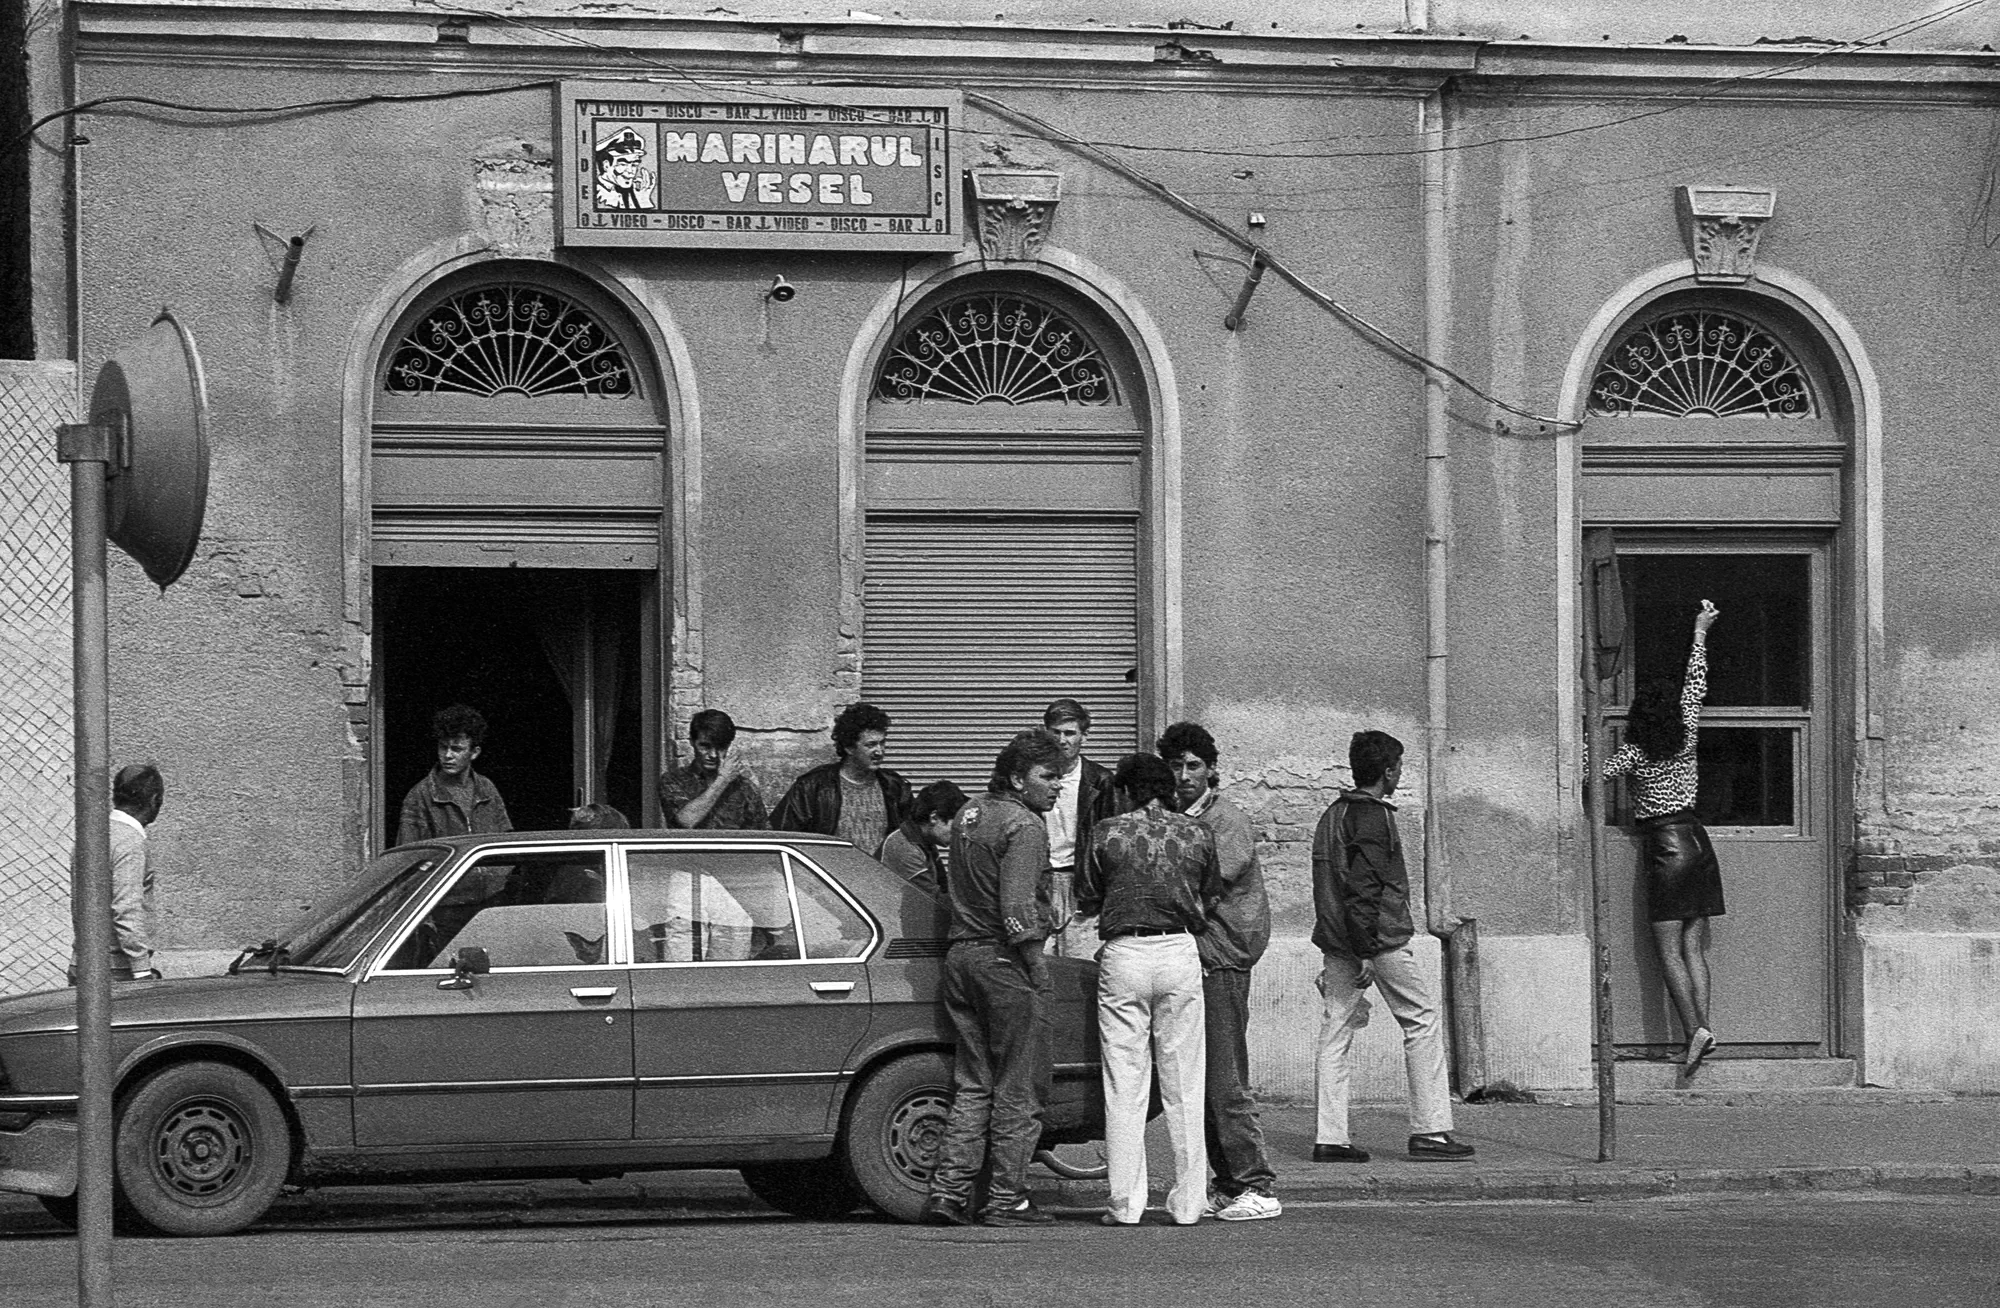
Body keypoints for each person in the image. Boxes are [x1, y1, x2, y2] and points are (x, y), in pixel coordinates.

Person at [921, 729, 1069, 1229]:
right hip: (1003, 962)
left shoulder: (969, 813)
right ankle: (1007, 1198)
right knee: (1019, 1087)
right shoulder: (1025, 826)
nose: (1058, 785)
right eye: (1048, 776)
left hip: (960, 958)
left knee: (974, 1083)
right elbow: (1017, 909)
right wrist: (1037, 969)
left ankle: (948, 1192)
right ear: (1018, 779)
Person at [1310, 730, 1474, 1164]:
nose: (1399, 774)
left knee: (1335, 1030)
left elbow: (1333, 886)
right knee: (1421, 1021)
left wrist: (1349, 944)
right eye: (1398, 767)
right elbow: (1364, 888)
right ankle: (1431, 1130)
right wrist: (1365, 949)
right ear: (1387, 771)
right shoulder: (1374, 818)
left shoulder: (1333, 813)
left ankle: (1330, 1137)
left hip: (1337, 939)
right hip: (1377, 940)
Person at [1075, 753, 1221, 1227]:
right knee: (1185, 1083)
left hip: (1125, 953)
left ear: (1126, 791)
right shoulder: (1197, 833)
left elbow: (1087, 895)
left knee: (1124, 1083)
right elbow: (1211, 894)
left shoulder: (1106, 833)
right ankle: (1189, 1203)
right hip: (1178, 949)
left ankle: (1125, 1203)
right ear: (1168, 789)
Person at [1158, 721, 1279, 1222]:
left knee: (1226, 1077)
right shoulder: (1175, 817)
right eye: (1176, 766)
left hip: (1222, 955)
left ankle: (1256, 1185)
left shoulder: (1226, 820)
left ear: (1211, 771)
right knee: (1202, 1080)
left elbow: (1202, 883)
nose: (1184, 775)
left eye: (1194, 766)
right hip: (1192, 956)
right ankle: (1228, 1184)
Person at [1601, 599, 1726, 1072]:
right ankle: (1702, 1032)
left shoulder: (1635, 753)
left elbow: (1592, 774)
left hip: (1665, 846)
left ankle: (1695, 1031)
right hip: (1697, 840)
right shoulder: (1687, 733)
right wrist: (1700, 632)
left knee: (1668, 950)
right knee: (1693, 947)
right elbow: (1696, 685)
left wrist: (1589, 737)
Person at [771, 702, 912, 857]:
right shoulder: (814, 787)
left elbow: (914, 839)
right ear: (849, 747)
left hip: (881, 872)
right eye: (871, 745)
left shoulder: (894, 786)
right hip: (829, 872)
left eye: (882, 743)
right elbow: (782, 837)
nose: (879, 751)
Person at [69, 763, 166, 983]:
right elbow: (126, 908)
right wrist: (141, 968)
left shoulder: (91, 833)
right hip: (117, 969)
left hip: (82, 962)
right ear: (155, 800)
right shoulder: (130, 842)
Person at [1040, 697, 1116, 955]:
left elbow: (1112, 844)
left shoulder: (1101, 781)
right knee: (1041, 964)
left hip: (1082, 883)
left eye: (1070, 733)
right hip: (1043, 879)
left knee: (1082, 964)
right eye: (1056, 732)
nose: (1062, 740)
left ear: (1084, 735)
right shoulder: (1033, 779)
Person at [395, 704, 512, 846]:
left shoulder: (487, 789)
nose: (447, 755)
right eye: (443, 747)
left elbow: (504, 842)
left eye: (456, 749)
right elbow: (408, 851)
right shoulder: (421, 795)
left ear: (474, 753)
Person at [661, 708, 770, 831]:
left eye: (720, 747)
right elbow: (685, 821)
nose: (713, 755)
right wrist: (722, 780)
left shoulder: (745, 788)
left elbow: (763, 834)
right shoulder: (673, 780)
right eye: (705, 746)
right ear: (692, 742)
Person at [879, 779, 968, 895]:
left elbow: (944, 887)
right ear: (934, 817)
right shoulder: (904, 847)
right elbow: (934, 899)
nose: (960, 832)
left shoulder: (923, 841)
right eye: (956, 825)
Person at [593, 126, 658, 210]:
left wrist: (643, 200)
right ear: (606, 165)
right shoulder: (595, 192)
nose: (630, 171)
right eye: (623, 164)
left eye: (634, 165)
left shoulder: (635, 191)